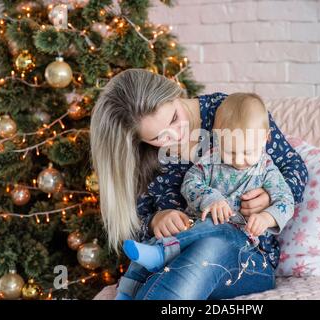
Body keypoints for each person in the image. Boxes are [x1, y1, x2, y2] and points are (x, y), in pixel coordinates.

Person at [89, 69, 308, 300]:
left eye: (174, 118)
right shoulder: (143, 157)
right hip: (175, 260)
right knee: (182, 261)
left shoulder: (231, 113)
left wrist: (267, 199)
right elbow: (132, 225)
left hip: (248, 254)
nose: (176, 134)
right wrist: (154, 221)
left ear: (175, 92)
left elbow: (295, 169)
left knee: (209, 248)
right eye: (158, 137)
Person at [121, 93, 295, 280]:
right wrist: (211, 199)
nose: (238, 160)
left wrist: (267, 217)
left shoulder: (266, 169)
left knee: (218, 227)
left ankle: (160, 252)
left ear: (265, 139)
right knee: (202, 228)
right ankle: (130, 285)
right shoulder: (212, 159)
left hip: (241, 242)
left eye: (247, 152)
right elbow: (190, 182)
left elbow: (286, 200)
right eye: (230, 151)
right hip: (198, 235)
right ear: (217, 138)